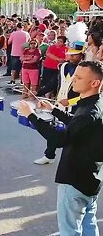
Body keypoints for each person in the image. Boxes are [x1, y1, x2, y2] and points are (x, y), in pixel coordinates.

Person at [19, 60, 103, 235]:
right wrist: (54, 110)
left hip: (75, 179)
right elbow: (78, 125)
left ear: (95, 83)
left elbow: (59, 139)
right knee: (89, 224)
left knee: (70, 230)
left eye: (79, 78)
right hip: (92, 177)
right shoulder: (95, 105)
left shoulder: (89, 112)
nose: (73, 81)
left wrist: (31, 116)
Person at [34, 23, 87, 165]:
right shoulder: (63, 66)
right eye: (70, 53)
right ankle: (49, 155)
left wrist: (71, 102)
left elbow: (88, 93)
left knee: (72, 134)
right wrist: (39, 91)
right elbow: (54, 83)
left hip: (75, 107)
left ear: (81, 55)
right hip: (59, 104)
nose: (71, 56)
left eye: (75, 55)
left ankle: (72, 159)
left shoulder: (85, 70)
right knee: (54, 130)